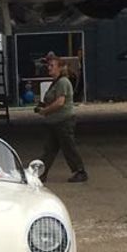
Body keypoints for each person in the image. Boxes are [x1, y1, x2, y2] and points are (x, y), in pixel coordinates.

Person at [33, 52, 87, 183]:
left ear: (59, 68)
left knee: (68, 147)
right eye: (49, 65)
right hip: (55, 122)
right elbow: (52, 99)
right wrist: (43, 105)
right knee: (49, 149)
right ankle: (41, 173)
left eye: (52, 65)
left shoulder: (63, 82)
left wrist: (44, 111)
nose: (49, 68)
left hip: (63, 121)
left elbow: (60, 102)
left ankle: (80, 171)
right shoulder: (55, 83)